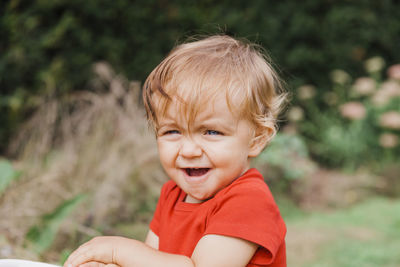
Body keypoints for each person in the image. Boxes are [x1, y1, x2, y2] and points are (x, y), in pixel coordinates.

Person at [64, 35, 287, 267]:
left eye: (211, 132)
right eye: (172, 131)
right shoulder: (172, 194)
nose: (189, 150)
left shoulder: (248, 202)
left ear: (256, 139)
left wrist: (119, 250)